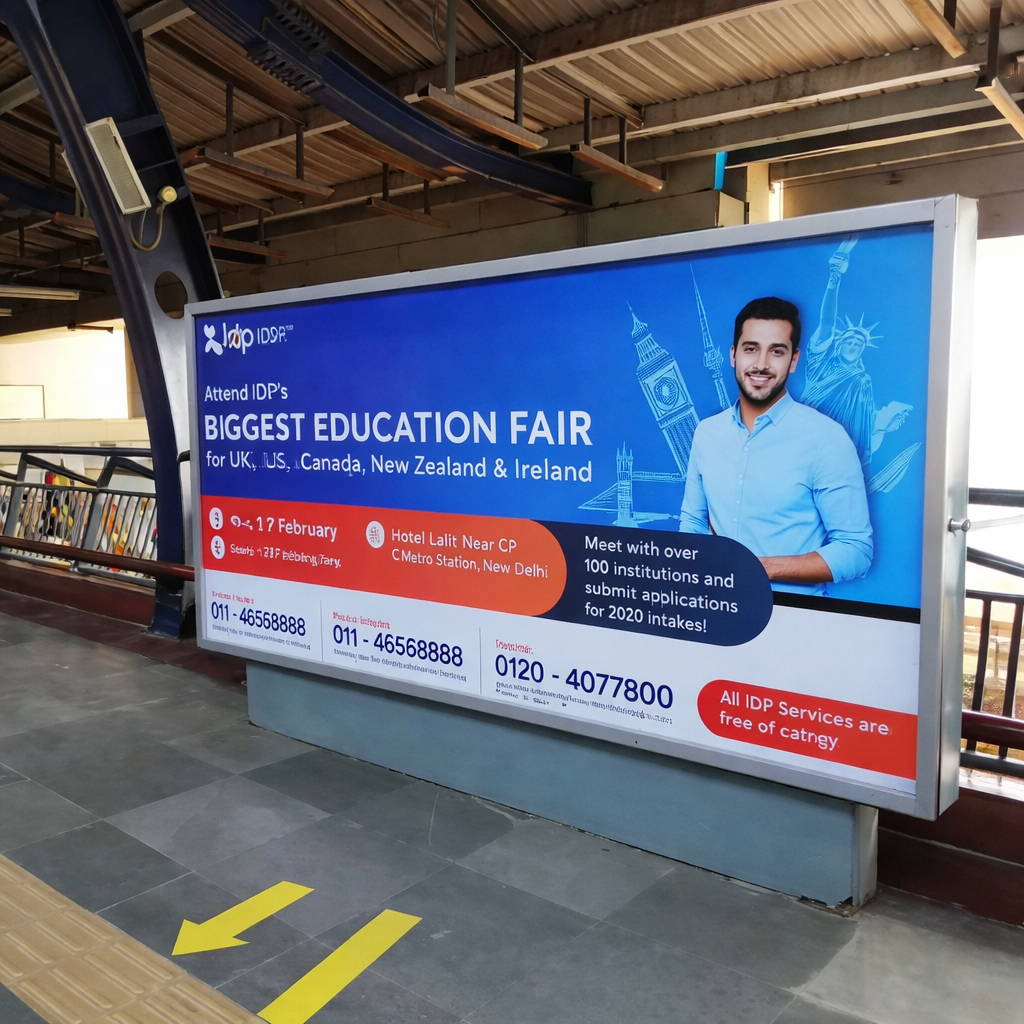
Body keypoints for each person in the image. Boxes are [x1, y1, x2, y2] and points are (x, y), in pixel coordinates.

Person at [679, 296, 872, 595]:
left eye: (776, 352)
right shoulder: (706, 433)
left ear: (794, 360)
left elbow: (856, 550)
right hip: (713, 615)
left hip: (794, 625)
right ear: (732, 355)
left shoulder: (827, 439)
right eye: (750, 349)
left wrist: (756, 569)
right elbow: (692, 523)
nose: (761, 364)